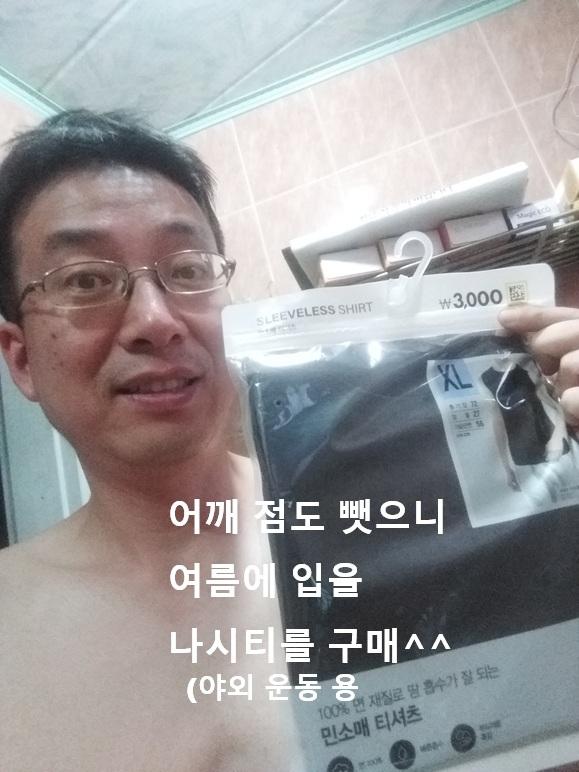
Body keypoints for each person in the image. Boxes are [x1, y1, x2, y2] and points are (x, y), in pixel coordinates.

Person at [0, 109, 577, 771]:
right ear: (21, 359)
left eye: (186, 270)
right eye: (84, 280)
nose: (155, 320)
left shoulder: (403, 521)